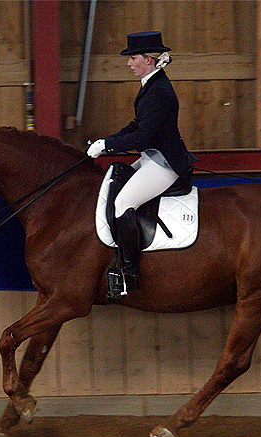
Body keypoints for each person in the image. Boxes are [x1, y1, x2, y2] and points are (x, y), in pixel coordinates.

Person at [87, 31, 197, 298]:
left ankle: (129, 273)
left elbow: (143, 137)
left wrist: (108, 147)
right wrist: (106, 141)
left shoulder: (159, 91)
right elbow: (137, 125)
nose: (129, 63)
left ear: (148, 59)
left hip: (165, 163)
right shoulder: (151, 85)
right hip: (152, 157)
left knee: (123, 203)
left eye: (133, 58)